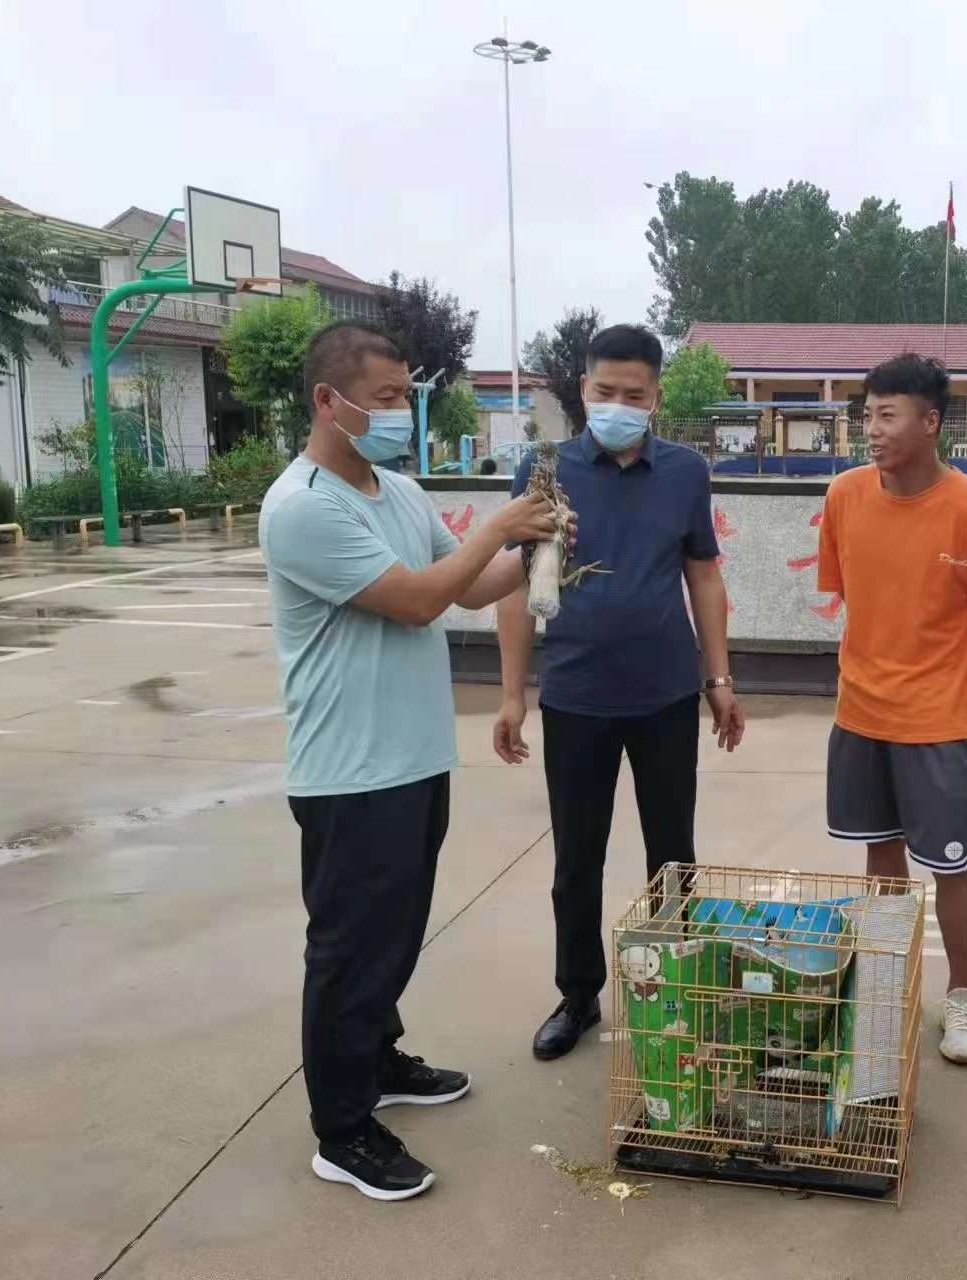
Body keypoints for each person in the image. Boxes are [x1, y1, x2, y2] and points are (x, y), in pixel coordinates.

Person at [260, 322, 563, 1202]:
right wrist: (499, 524)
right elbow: (419, 600)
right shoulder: (303, 507)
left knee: (392, 937)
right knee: (349, 951)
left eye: (405, 396)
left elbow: (469, 585)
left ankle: (378, 1060)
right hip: (349, 773)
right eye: (387, 398)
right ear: (330, 401)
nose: (402, 413)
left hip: (413, 760)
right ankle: (342, 1129)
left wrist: (539, 547)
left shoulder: (395, 489)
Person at [492, 323, 744, 1061]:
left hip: (665, 696)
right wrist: (512, 694)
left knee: (673, 856)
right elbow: (514, 586)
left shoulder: (685, 473)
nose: (619, 405)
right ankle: (578, 994)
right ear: (584, 388)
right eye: (605, 391)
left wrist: (718, 679)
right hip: (575, 697)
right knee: (577, 860)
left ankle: (676, 988)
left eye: (635, 394)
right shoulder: (544, 471)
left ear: (656, 396)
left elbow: (704, 576)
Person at [817, 353, 967, 1065]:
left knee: (951, 865)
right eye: (867, 414)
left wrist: (935, 664)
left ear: (931, 422)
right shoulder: (844, 496)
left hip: (939, 721)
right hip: (861, 712)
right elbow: (851, 594)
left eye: (887, 415)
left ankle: (961, 996)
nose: (871, 429)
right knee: (882, 853)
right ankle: (887, 982)